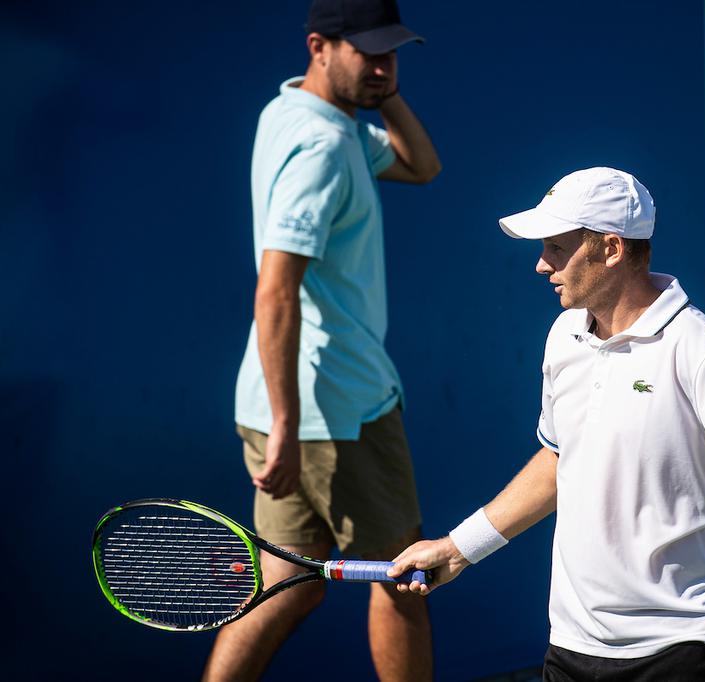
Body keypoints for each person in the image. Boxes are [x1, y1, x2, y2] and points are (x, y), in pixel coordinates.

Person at [389, 168, 705, 681]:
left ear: (611, 249)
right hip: (573, 646)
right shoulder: (564, 334)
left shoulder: (697, 349)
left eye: (556, 247)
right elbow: (559, 461)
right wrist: (460, 549)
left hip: (686, 648)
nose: (541, 264)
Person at [203, 1, 440, 680]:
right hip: (336, 411)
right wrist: (286, 424)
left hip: (283, 404)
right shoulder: (325, 147)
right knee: (404, 577)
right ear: (319, 47)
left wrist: (384, 94)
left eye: (392, 52)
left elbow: (422, 165)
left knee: (289, 578)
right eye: (368, 53)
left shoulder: (293, 116)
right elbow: (275, 289)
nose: (383, 65)